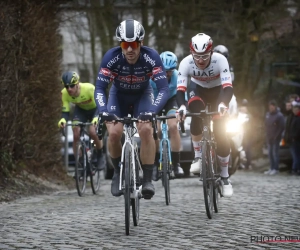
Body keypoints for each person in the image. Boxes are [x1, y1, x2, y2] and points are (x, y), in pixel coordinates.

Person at [94, 19, 169, 199]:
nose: (129, 49)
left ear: (140, 43)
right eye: (125, 44)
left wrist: (153, 111)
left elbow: (164, 89)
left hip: (142, 95)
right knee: (113, 133)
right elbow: (99, 88)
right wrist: (103, 109)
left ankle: (148, 179)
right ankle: (118, 173)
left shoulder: (151, 56)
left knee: (145, 130)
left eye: (134, 44)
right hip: (117, 96)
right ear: (120, 44)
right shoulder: (111, 57)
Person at [176, 33, 234, 197]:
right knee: (196, 113)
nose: (200, 60)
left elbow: (228, 87)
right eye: (197, 56)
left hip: (218, 92)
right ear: (191, 53)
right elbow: (180, 90)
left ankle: (225, 178)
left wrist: (223, 104)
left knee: (221, 131)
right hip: (198, 90)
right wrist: (181, 106)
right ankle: (198, 158)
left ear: (211, 52)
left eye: (205, 56)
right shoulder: (185, 62)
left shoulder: (220, 60)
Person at [58, 71, 104, 171]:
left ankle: (100, 153)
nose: (69, 89)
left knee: (92, 131)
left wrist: (96, 119)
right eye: (66, 86)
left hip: (95, 110)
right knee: (76, 134)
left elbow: (101, 106)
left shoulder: (89, 89)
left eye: (72, 86)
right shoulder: (64, 93)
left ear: (78, 84)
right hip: (81, 111)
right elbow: (65, 111)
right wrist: (63, 120)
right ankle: (80, 161)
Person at [150, 51, 184, 180]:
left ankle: (176, 164)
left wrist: (182, 109)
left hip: (171, 101)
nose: (167, 73)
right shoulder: (151, 77)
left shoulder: (178, 76)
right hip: (155, 101)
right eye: (164, 70)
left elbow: (182, 93)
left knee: (173, 127)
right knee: (156, 130)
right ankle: (154, 164)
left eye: (170, 70)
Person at [264, 100, 285, 175]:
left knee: (275, 153)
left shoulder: (279, 116)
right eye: (270, 106)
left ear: (275, 106)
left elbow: (281, 127)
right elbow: (266, 125)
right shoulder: (268, 115)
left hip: (276, 138)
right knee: (270, 154)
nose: (271, 107)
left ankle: (276, 168)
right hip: (269, 137)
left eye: (272, 106)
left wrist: (277, 136)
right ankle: (271, 168)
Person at [289, 98, 300, 175]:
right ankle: (295, 168)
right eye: (294, 109)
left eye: (296, 109)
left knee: (296, 155)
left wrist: (294, 137)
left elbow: (297, 129)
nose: (295, 111)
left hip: (296, 139)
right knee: (295, 155)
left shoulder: (298, 118)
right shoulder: (294, 117)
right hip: (293, 139)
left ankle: (295, 169)